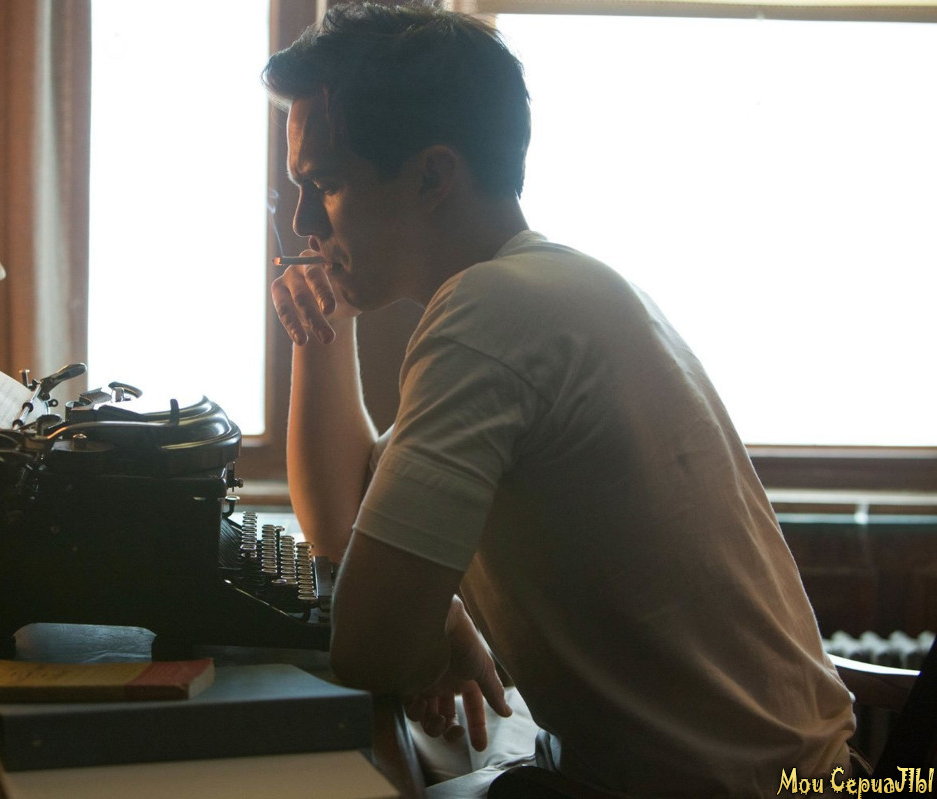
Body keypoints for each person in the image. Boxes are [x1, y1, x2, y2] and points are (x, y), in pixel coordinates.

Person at [262, 3, 855, 796]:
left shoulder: (490, 314)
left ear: (432, 175)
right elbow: (348, 516)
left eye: (325, 185)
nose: (303, 223)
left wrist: (427, 629)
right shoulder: (549, 286)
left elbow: (368, 646)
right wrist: (322, 326)